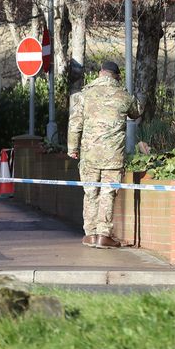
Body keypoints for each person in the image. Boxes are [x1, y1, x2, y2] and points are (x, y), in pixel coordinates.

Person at [67, 61, 141, 249]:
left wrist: (72, 148)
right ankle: (103, 235)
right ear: (116, 76)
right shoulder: (123, 95)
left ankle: (90, 234)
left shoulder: (84, 95)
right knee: (108, 192)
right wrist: (141, 97)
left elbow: (75, 124)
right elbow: (136, 113)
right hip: (113, 156)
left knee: (90, 192)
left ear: (100, 73)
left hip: (90, 155)